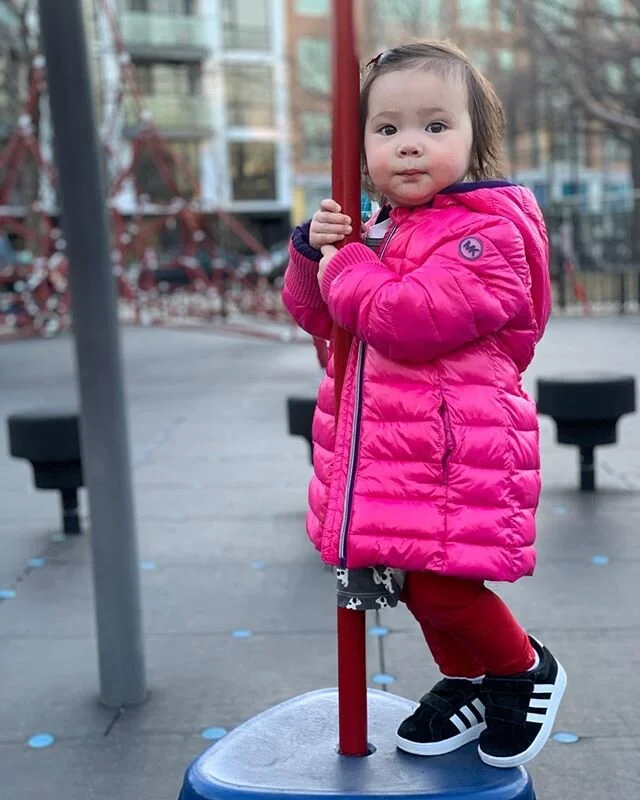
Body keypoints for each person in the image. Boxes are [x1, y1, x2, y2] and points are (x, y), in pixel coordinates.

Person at [282, 41, 565, 769]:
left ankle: (522, 669)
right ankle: (468, 677)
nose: (410, 143)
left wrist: (347, 265)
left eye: (436, 127)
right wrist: (312, 257)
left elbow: (407, 316)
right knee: (412, 579)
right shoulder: (380, 225)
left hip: (450, 449)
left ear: (475, 141)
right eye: (388, 129)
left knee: (443, 585)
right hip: (390, 452)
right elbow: (324, 320)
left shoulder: (485, 233)